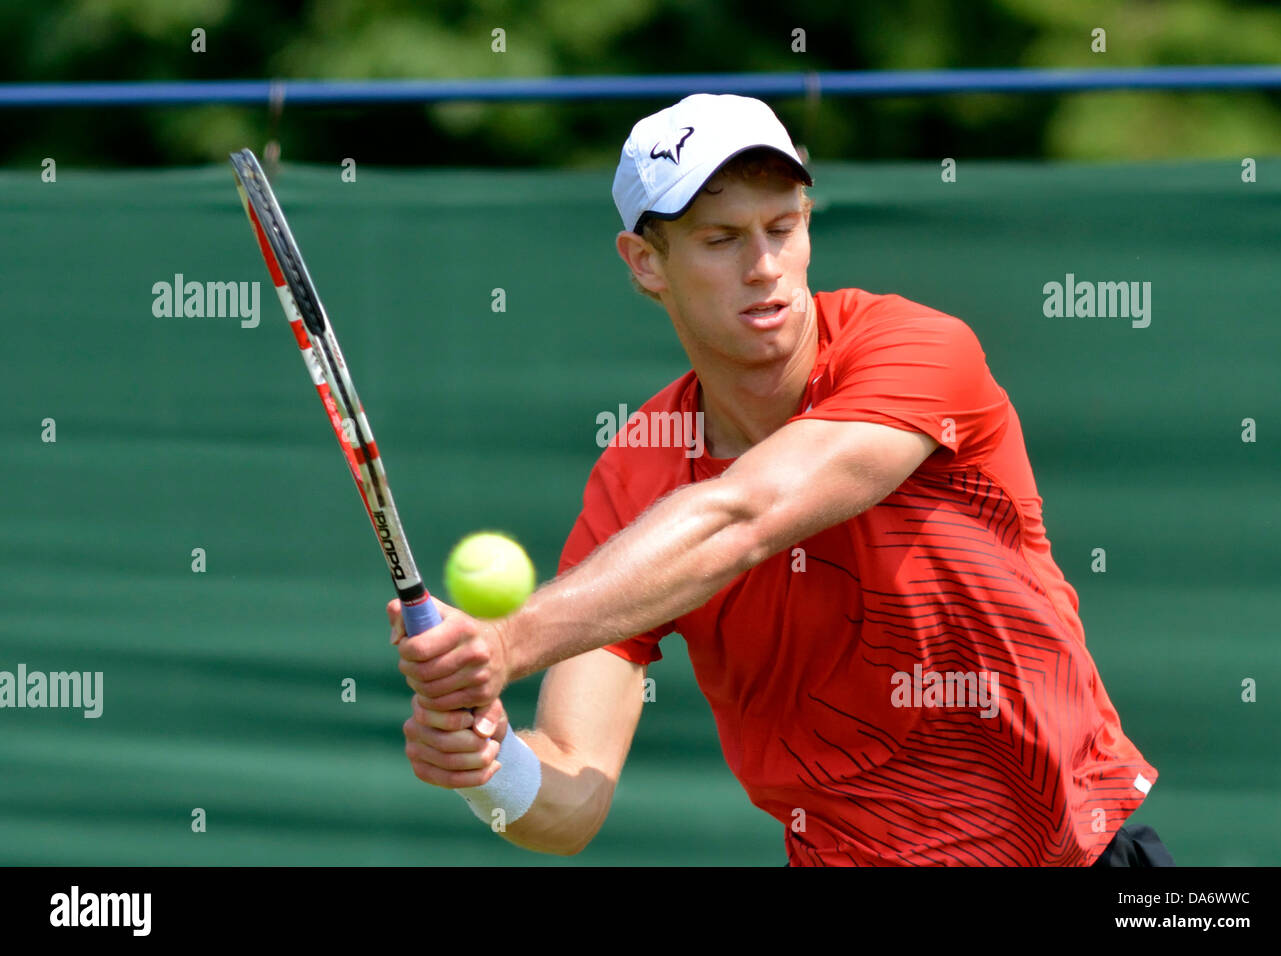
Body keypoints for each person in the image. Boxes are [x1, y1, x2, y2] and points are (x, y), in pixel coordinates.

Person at [390, 93, 1170, 866]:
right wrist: (486, 764)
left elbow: (746, 516)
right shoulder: (635, 476)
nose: (764, 267)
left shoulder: (918, 349)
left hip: (1080, 854)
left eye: (783, 227)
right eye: (721, 239)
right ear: (645, 264)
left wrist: (504, 639)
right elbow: (569, 805)